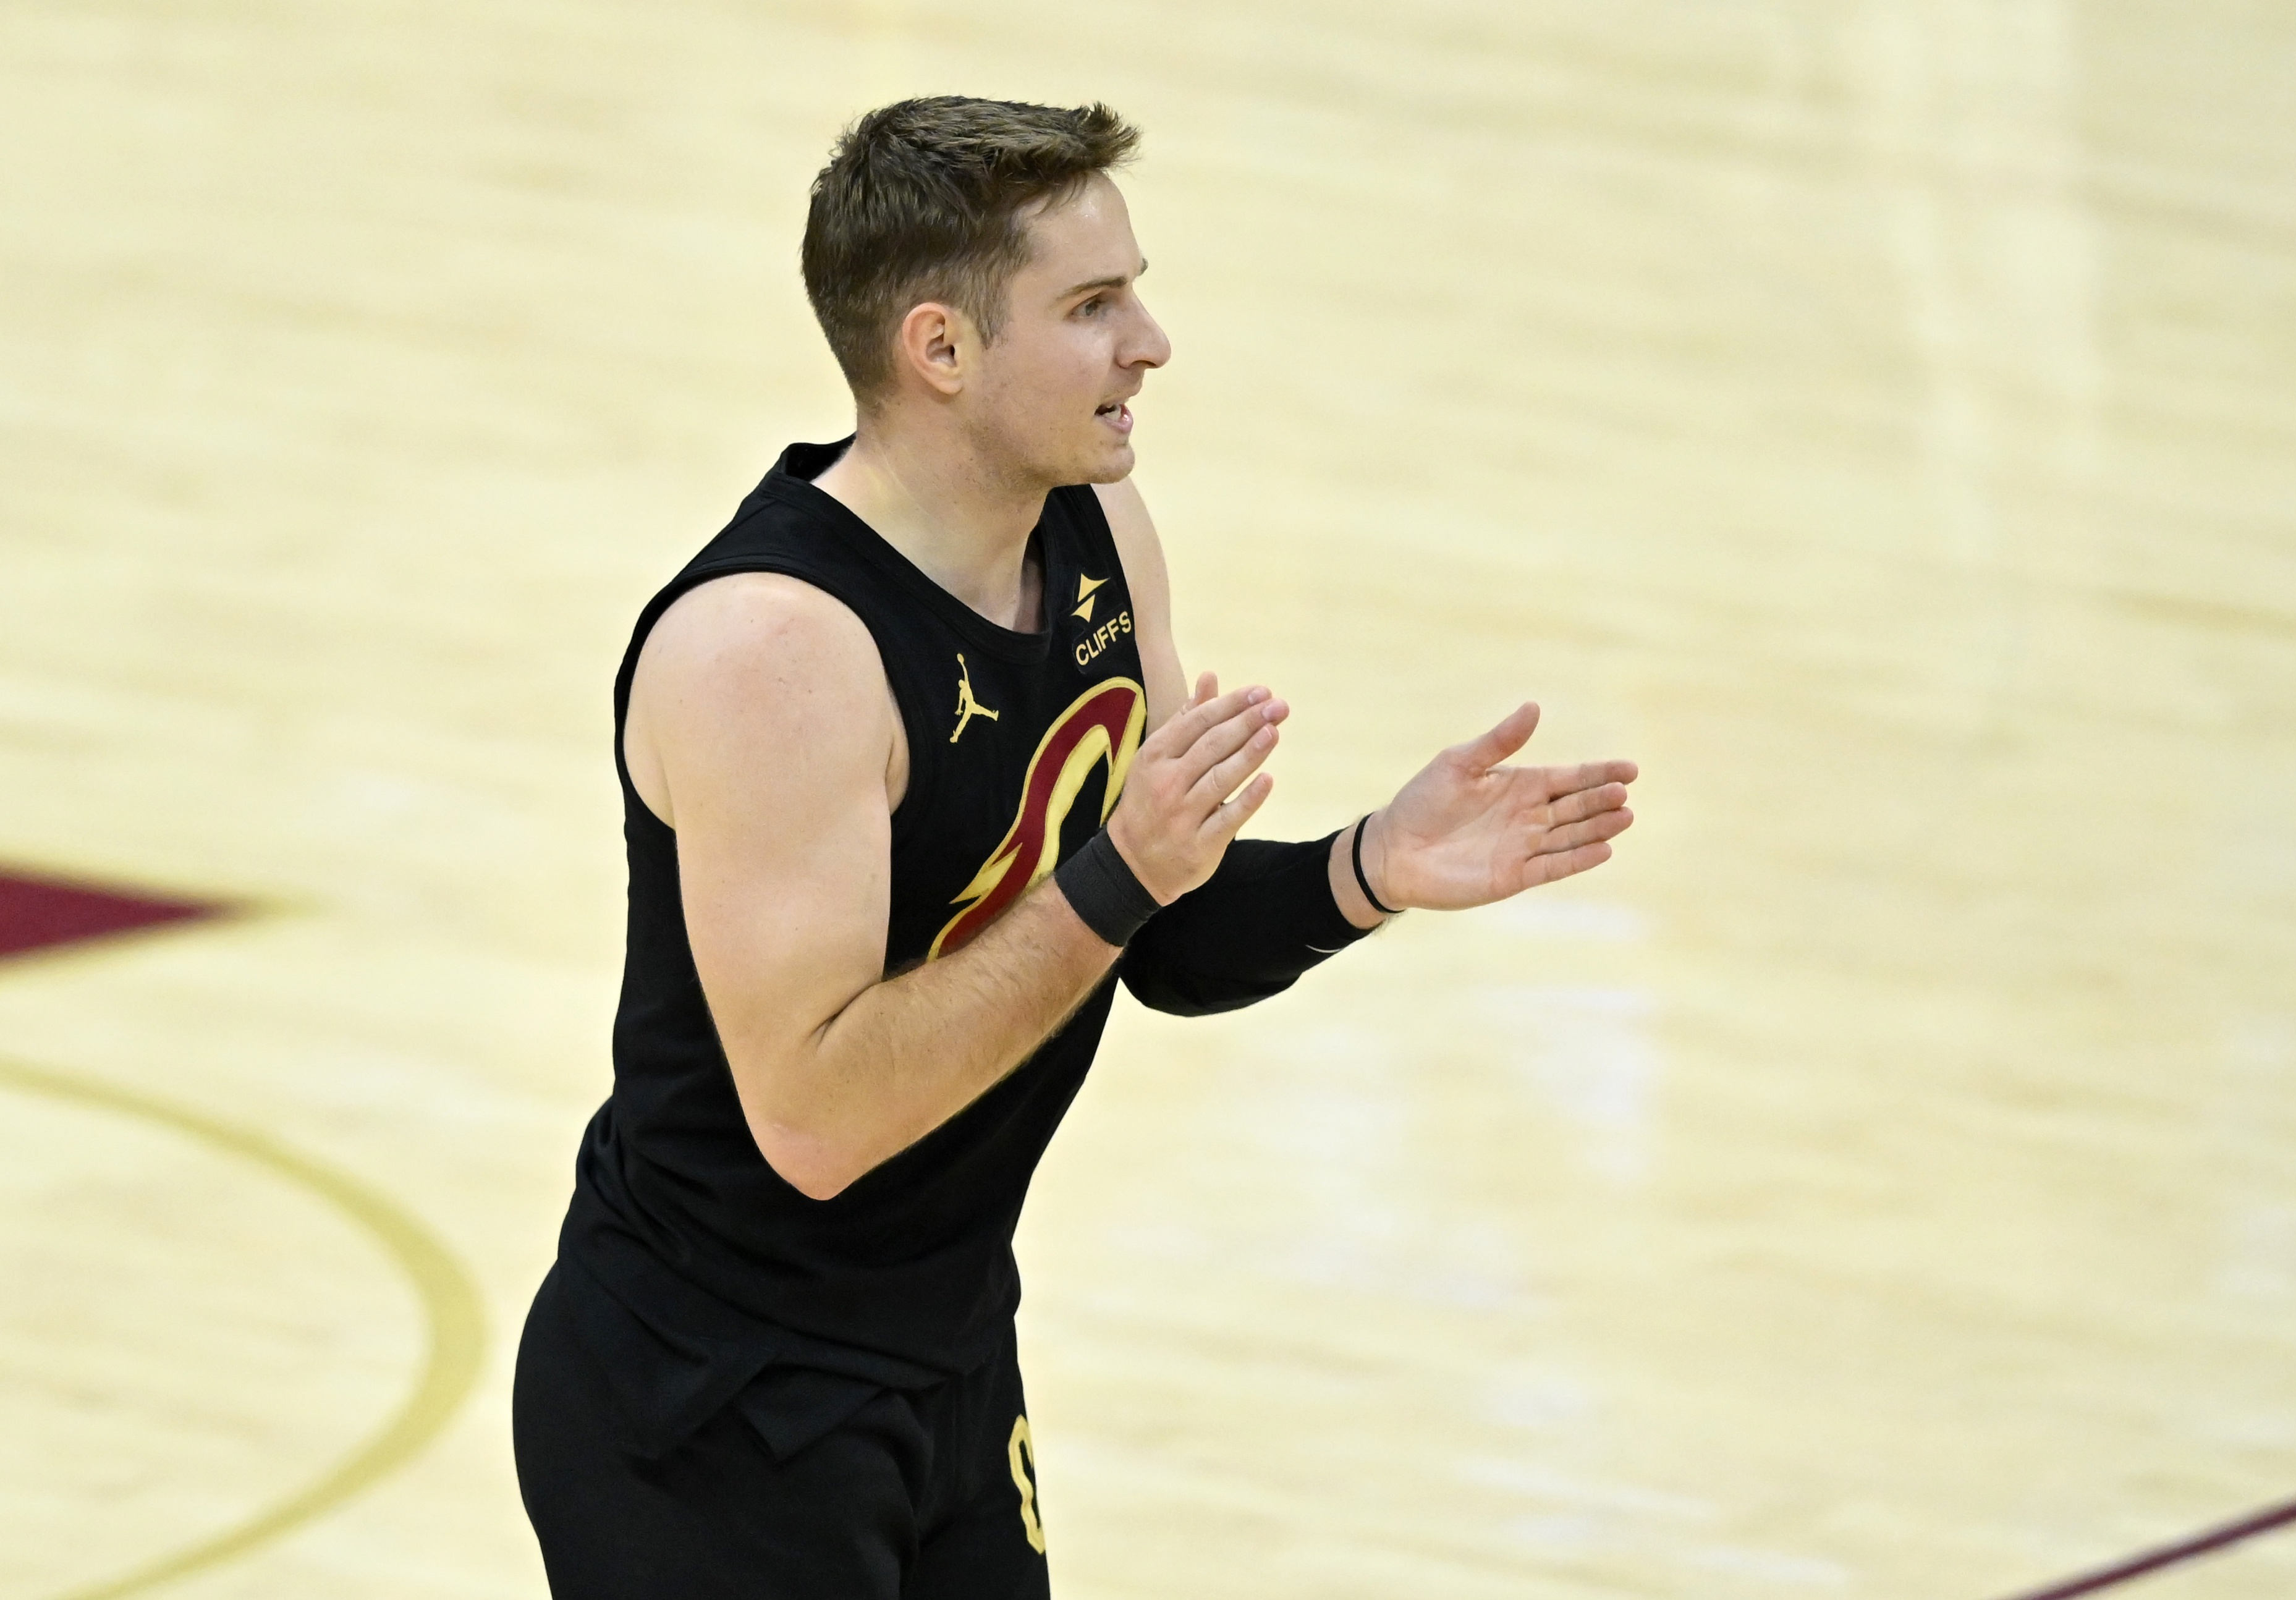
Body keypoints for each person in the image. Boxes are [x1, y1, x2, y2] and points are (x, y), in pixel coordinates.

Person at [513, 95, 1638, 1599]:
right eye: (1093, 306)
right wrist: (1121, 872)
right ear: (941, 348)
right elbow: (817, 1120)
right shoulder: (772, 653)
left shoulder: (1097, 530)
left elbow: (1153, 937)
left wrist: (1369, 866)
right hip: (716, 1402)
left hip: (947, 1353)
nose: (1149, 344)